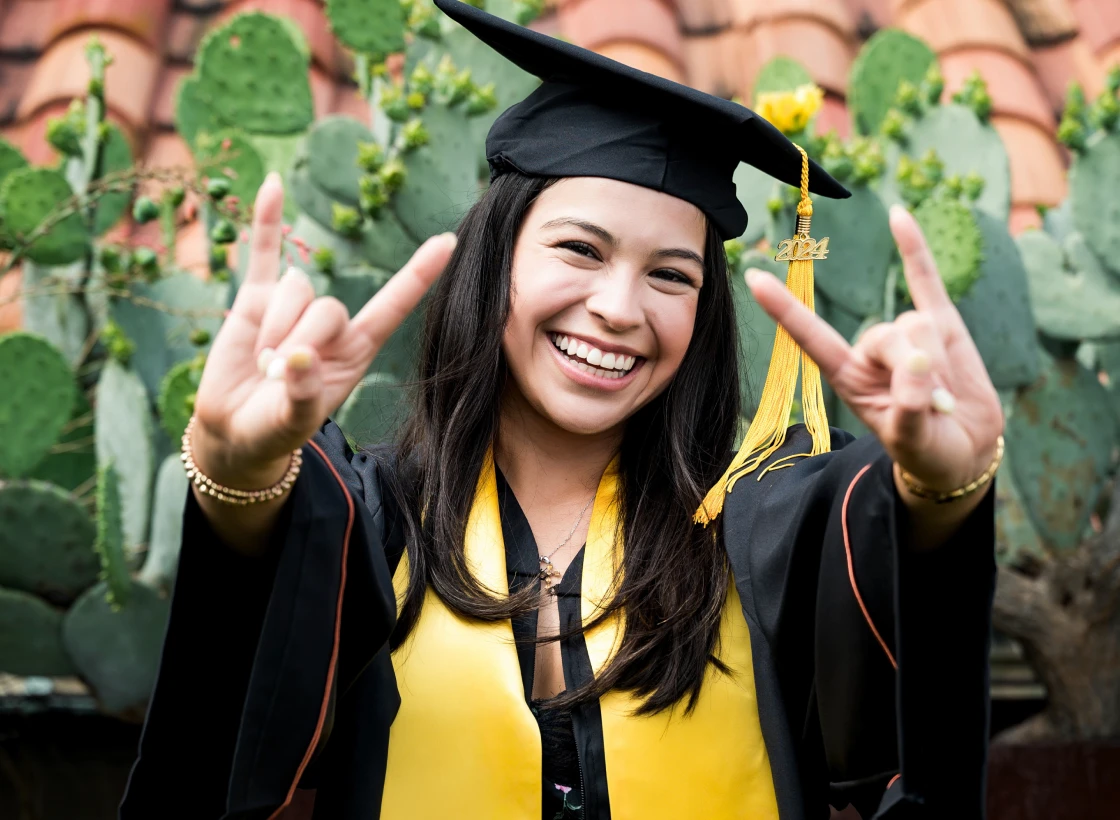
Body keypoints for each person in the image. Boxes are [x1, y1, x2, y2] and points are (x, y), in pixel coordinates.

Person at [119, 2, 1003, 818]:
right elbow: (224, 723)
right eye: (580, 249)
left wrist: (945, 493)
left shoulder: (759, 534)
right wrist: (235, 478)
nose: (621, 307)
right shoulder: (376, 524)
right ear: (495, 258)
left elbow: (889, 570)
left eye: (671, 274)